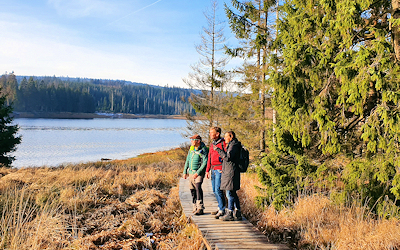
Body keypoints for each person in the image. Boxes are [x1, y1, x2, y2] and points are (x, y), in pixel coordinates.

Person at [214, 131, 242, 221]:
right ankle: (237, 212)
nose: (224, 138)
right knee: (233, 192)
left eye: (226, 137)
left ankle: (230, 213)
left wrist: (218, 150)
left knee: (230, 193)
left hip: (231, 173)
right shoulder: (233, 145)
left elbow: (228, 157)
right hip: (230, 171)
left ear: (231, 136)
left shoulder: (233, 145)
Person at [183, 134, 208, 215]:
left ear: (198, 141)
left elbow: (205, 162)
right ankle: (195, 206)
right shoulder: (191, 149)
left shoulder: (203, 150)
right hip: (190, 173)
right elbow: (187, 160)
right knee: (192, 189)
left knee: (198, 187)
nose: (191, 141)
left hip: (199, 173)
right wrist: (184, 172)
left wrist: (198, 173)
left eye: (193, 140)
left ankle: (200, 207)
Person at [205, 127, 226, 219]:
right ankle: (220, 207)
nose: (210, 134)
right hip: (213, 169)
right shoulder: (212, 144)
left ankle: (222, 209)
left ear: (217, 134)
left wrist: (223, 168)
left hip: (219, 169)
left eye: (211, 133)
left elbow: (226, 156)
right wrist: (207, 170)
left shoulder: (223, 143)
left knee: (218, 190)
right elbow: (209, 157)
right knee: (214, 190)